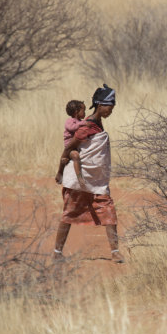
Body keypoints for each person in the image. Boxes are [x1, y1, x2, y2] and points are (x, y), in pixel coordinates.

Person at [53, 84, 124, 263]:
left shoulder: (97, 124)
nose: (111, 111)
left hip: (97, 181)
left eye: (113, 108)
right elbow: (69, 148)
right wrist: (60, 171)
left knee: (109, 212)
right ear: (100, 106)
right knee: (68, 214)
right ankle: (57, 253)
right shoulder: (88, 126)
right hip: (80, 180)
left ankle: (115, 252)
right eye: (109, 107)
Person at [56, 99, 86, 186]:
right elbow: (72, 128)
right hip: (70, 146)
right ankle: (80, 178)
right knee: (75, 156)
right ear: (76, 112)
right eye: (83, 110)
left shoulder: (80, 122)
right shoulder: (70, 121)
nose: (85, 113)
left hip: (78, 145)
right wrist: (82, 124)